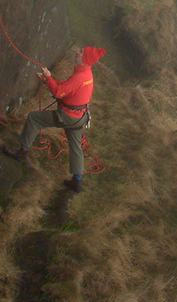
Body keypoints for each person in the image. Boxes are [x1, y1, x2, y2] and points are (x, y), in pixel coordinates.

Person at [9, 45, 106, 192]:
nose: (77, 53)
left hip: (68, 116)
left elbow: (60, 91)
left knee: (34, 119)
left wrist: (48, 77)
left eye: (80, 53)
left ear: (85, 59)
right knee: (76, 146)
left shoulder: (80, 77)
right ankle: (76, 181)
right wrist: (48, 81)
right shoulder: (87, 75)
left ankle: (22, 152)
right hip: (80, 117)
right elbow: (67, 89)